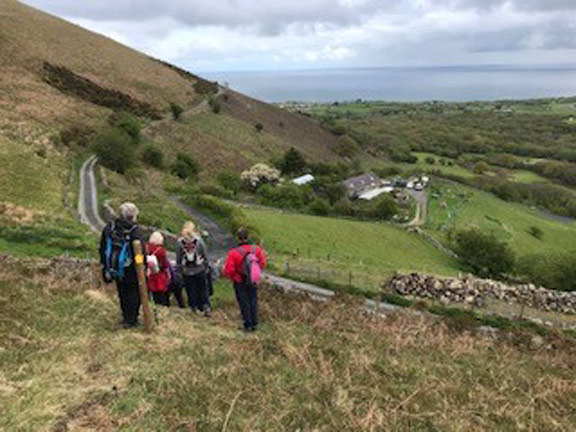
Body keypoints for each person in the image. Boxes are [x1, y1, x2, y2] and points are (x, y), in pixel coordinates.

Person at [100, 202, 144, 329]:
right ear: (134, 216)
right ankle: (132, 320)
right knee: (134, 293)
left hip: (116, 268)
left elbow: (103, 247)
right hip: (131, 269)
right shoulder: (135, 231)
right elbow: (140, 253)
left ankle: (126, 317)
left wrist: (105, 265)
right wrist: (142, 265)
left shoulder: (110, 227)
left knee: (122, 292)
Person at [224, 228, 267, 332]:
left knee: (244, 302)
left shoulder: (233, 252)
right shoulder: (256, 249)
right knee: (253, 300)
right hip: (252, 280)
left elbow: (229, 270)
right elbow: (263, 263)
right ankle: (255, 324)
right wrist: (254, 272)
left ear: (238, 239)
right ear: (248, 237)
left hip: (239, 281)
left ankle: (247, 325)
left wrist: (232, 276)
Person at [177, 221, 211, 317]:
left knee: (190, 289)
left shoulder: (180, 242)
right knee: (202, 288)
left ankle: (193, 307)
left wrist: (179, 269)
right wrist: (207, 266)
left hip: (187, 270)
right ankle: (205, 306)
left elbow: (178, 257)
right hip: (199, 269)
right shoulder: (199, 241)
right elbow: (204, 254)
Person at [146, 231, 170, 307]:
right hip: (159, 275)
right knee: (160, 294)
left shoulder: (146, 248)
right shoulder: (161, 251)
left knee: (150, 292)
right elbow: (164, 264)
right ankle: (162, 306)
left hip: (148, 274)